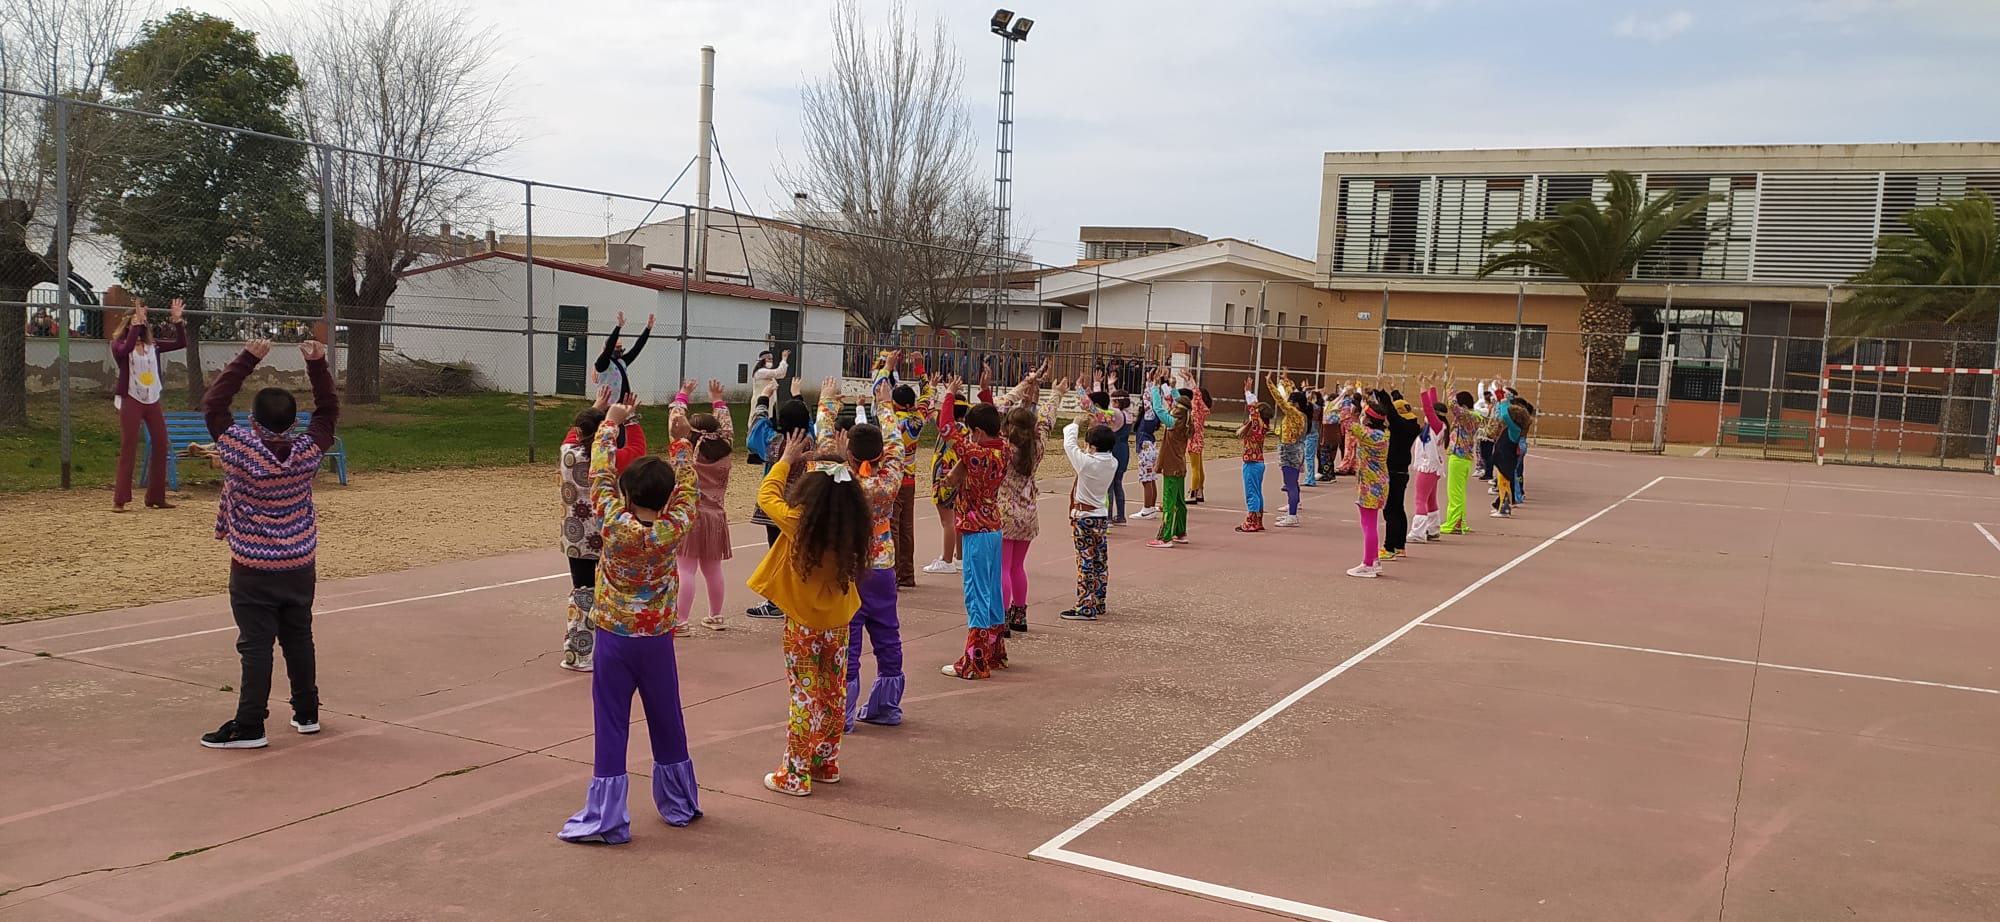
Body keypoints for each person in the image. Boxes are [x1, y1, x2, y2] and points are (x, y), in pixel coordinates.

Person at [558, 393, 703, 843]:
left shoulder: (614, 522)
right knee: (667, 717)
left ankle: (607, 816)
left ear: (626, 494)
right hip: (657, 638)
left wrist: (609, 425)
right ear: (665, 498)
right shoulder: (675, 523)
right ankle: (679, 802)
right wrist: (680, 444)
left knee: (611, 721)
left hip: (614, 638)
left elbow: (599, 474)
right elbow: (689, 488)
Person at [198, 338, 339, 750]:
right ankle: (306, 711)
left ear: (252, 421)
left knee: (255, 645)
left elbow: (213, 404)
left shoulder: (239, 448)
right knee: (299, 635)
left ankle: (249, 724)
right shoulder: (309, 449)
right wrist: (317, 364)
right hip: (299, 560)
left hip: (253, 566)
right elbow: (329, 410)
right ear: (296, 422)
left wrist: (248, 358)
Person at [749, 432, 871, 796]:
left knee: (803, 695)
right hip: (839, 621)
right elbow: (852, 486)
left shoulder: (800, 522)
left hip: (803, 623)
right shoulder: (854, 522)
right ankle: (825, 760)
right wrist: (840, 457)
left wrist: (786, 460)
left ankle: (795, 773)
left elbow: (766, 496)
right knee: (833, 692)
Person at [820, 376, 907, 729]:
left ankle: (842, 711)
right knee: (887, 632)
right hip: (882, 564)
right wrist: (884, 404)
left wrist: (828, 404)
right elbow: (897, 444)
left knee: (849, 639)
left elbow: (824, 447)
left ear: (849, 453)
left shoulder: (838, 475)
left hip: (846, 566)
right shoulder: (889, 478)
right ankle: (887, 705)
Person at [560, 388, 649, 671]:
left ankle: (576, 648)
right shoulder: (608, 459)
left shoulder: (567, 452)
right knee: (605, 593)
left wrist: (598, 409)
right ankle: (591, 650)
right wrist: (630, 420)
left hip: (574, 536)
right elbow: (637, 451)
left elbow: (574, 435)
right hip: (603, 536)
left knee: (581, 592)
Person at [936, 375, 1010, 679]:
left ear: (978, 432)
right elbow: (989, 422)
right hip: (994, 527)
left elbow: (945, 429)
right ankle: (993, 651)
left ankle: (974, 660)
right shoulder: (1003, 448)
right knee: (991, 593)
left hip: (975, 531)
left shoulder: (976, 454)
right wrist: (985, 393)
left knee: (976, 595)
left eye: (971, 431)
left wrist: (949, 396)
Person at [997, 366, 1062, 633]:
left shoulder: (1001, 446)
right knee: (1017, 567)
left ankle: (1000, 618)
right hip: (1028, 511)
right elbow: (1047, 420)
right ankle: (1020, 613)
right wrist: (1055, 394)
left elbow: (997, 408)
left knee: (1000, 568)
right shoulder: (1038, 446)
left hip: (1002, 511)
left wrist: (1022, 385)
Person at [111, 298, 188, 513]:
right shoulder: (118, 345)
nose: (142, 326)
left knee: (161, 443)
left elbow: (181, 343)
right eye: (136, 323)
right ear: (128, 325)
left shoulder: (152, 347)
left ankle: (156, 496)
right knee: (129, 445)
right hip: (131, 398)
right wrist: (136, 322)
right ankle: (120, 498)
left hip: (152, 399)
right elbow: (125, 349)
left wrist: (177, 321)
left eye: (143, 323)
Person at [673, 379, 735, 632]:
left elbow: (675, 422)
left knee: (685, 569)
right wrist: (717, 399)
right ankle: (716, 615)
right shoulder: (726, 448)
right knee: (712, 568)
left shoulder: (687, 454)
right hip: (716, 515)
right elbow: (727, 428)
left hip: (691, 515)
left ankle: (681, 620)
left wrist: (683, 396)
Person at [747, 380, 812, 619]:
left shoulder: (775, 443)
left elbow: (755, 429)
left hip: (777, 508)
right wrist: (798, 397)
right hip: (803, 506)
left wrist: (763, 398)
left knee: (777, 552)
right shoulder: (810, 439)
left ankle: (776, 602)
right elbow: (811, 421)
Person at [877, 352, 933, 588]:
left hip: (893, 477)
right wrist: (920, 368)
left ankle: (895, 573)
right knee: (907, 528)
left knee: (894, 527)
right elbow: (928, 395)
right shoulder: (917, 420)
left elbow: (879, 389)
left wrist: (887, 367)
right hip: (910, 479)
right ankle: (907, 574)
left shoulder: (890, 420)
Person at [1060, 395, 1118, 621]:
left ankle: (1085, 606)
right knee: (1099, 560)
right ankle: (1099, 600)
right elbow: (1085, 452)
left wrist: (1074, 423)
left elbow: (1069, 445)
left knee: (1085, 561)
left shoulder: (1087, 463)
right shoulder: (1111, 462)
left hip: (1084, 517)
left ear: (1092, 447)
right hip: (1100, 517)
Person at [922, 384, 974, 575]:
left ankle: (947, 559)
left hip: (944, 478)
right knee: (957, 518)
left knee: (947, 521)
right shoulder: (966, 430)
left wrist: (936, 390)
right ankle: (960, 558)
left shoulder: (947, 428)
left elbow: (929, 410)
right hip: (959, 478)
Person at [1374, 382, 1423, 562]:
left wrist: (1381, 393)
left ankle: (1389, 546)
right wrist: (1394, 392)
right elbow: (1397, 408)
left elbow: (1392, 413)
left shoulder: (1399, 427)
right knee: (1398, 509)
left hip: (1393, 471)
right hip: (1402, 471)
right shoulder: (1412, 426)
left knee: (1390, 511)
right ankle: (1400, 546)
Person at [1146, 377, 1193, 548]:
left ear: (1177, 411)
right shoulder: (1186, 420)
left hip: (1171, 468)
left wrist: (1155, 388)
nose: (1171, 408)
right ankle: (1180, 532)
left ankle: (1165, 537)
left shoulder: (1174, 422)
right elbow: (1179, 403)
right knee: (1180, 502)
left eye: (1174, 407)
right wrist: (1172, 389)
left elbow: (1158, 409)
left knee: (1168, 502)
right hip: (1179, 466)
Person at [1347, 399, 1390, 579]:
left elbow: (1348, 422)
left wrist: (1351, 401)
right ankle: (1373, 559)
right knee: (1371, 523)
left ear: (1369, 420)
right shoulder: (1385, 434)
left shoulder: (1366, 434)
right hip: (1380, 482)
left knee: (1368, 524)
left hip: (1369, 484)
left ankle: (1368, 563)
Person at [1266, 371, 1309, 528]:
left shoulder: (1294, 414)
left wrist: (1270, 384)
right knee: (1292, 483)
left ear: (1295, 404)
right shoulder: (1300, 414)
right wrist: (1285, 382)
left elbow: (1280, 400)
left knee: (1290, 483)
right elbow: (1288, 397)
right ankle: (1292, 511)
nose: (1288, 403)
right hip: (1293, 449)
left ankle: (1292, 515)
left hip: (1290, 450)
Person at [1408, 375, 1447, 545]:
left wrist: (1422, 389)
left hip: (1427, 467)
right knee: (1430, 499)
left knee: (1420, 499)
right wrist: (1432, 387)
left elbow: (1428, 409)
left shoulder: (1436, 425)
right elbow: (1433, 406)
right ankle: (1433, 529)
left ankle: (1418, 532)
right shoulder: (1438, 425)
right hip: (1432, 466)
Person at [1441, 383, 1483, 536]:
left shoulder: (1467, 416)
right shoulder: (1474, 417)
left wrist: (1450, 391)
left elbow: (1453, 406)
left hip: (1458, 456)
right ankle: (1460, 522)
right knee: (1459, 492)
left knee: (1454, 493)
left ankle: (1452, 524)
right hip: (1464, 457)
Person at [1236, 379, 1272, 533]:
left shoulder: (1257, 426)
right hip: (1258, 462)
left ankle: (1251, 522)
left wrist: (1248, 393)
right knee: (1257, 492)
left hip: (1251, 463)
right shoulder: (1262, 427)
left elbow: (1253, 410)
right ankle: (1258, 519)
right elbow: (1254, 412)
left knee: (1251, 493)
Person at [594, 311, 653, 403]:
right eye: (617, 347)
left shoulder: (621, 362)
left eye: (620, 347)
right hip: (607, 404)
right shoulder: (603, 363)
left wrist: (648, 329)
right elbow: (609, 347)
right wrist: (618, 327)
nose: (620, 350)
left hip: (622, 403)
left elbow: (637, 348)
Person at [1184, 378, 1211, 504]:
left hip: (1194, 439)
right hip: (1199, 439)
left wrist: (1191, 382)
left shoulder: (1197, 411)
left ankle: (1193, 492)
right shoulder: (1203, 412)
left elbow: (1196, 397)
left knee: (1195, 468)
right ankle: (1200, 490)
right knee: (1199, 467)